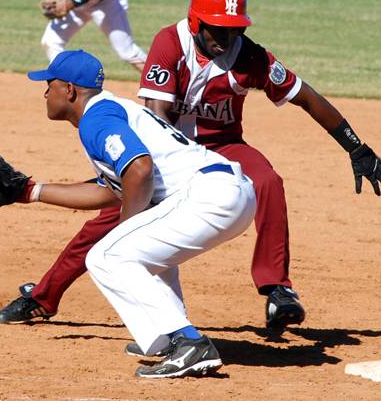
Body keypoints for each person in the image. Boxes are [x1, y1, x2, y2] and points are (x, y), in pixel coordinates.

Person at [0, 0, 381, 334]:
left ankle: (277, 288)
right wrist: (154, 183)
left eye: (235, 29)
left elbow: (306, 97)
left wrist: (355, 146)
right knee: (110, 220)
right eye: (219, 29)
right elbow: (156, 115)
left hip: (223, 146)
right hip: (168, 151)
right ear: (197, 23)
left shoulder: (249, 56)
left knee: (267, 179)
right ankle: (43, 297)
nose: (227, 36)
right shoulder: (171, 42)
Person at [20, 49, 256, 378]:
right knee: (147, 255)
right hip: (227, 193)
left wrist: (124, 230)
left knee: (108, 255)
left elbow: (140, 170)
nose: (46, 92)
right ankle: (165, 339)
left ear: (70, 90)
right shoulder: (109, 112)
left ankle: (189, 343)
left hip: (209, 195)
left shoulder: (96, 120)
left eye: (50, 84)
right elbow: (112, 190)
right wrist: (31, 191)